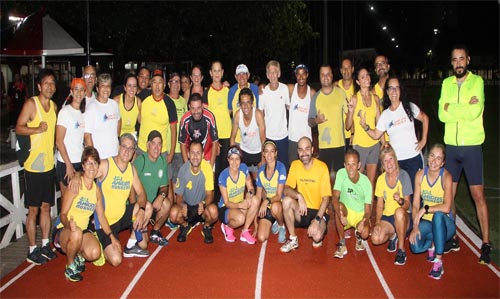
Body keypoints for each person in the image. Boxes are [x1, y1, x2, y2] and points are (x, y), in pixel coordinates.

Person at [438, 44, 490, 264]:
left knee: (478, 196)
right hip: (452, 148)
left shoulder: (477, 82)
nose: (458, 63)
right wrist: (461, 108)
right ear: (451, 63)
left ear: (468, 60)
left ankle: (486, 244)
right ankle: (453, 237)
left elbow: (475, 111)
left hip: (471, 148)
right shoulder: (446, 83)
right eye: (454, 59)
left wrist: (453, 108)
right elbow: (441, 114)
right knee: (448, 198)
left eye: (462, 59)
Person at [52, 147, 117, 282]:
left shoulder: (97, 190)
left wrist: (112, 237)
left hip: (82, 230)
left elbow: (101, 216)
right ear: (83, 166)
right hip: (64, 230)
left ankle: (77, 255)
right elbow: (63, 214)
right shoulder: (75, 185)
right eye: (88, 163)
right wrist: (69, 226)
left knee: (95, 253)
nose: (92, 167)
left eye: (94, 163)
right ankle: (70, 266)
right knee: (76, 234)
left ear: (98, 165)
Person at [16, 68, 58, 265]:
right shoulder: (31, 104)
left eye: (52, 83)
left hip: (48, 166)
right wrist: (36, 129)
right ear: (40, 86)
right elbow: (18, 127)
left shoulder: (55, 107)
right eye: (46, 83)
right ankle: (32, 249)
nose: (49, 87)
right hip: (33, 167)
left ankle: (45, 244)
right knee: (32, 210)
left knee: (46, 208)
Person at [90, 133, 152, 265]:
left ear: (134, 152)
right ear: (118, 147)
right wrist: (78, 177)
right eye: (124, 146)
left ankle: (130, 245)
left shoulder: (131, 170)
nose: (127, 151)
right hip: (105, 223)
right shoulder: (106, 165)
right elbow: (87, 173)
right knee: (116, 260)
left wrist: (141, 210)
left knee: (148, 207)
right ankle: (99, 241)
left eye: (130, 148)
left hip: (122, 216)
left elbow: (141, 193)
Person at [361, 75, 428, 192]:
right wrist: (366, 127)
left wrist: (423, 140)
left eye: (397, 87)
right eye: (391, 88)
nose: (394, 91)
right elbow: (376, 134)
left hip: (414, 158)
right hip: (397, 162)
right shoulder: (385, 115)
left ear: (400, 90)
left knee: (416, 193)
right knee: (401, 194)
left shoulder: (409, 107)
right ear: (387, 92)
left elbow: (425, 118)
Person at [409, 144, 455, 280]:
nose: (434, 161)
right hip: (428, 223)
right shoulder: (420, 175)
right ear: (428, 156)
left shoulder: (446, 177)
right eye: (432, 156)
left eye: (439, 158)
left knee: (439, 215)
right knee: (415, 247)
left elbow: (447, 207)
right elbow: (416, 204)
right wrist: (415, 227)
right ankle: (433, 243)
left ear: (443, 163)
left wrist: (426, 208)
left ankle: (438, 262)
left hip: (446, 225)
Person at [280, 137, 331, 253]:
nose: (304, 153)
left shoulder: (322, 167)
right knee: (287, 201)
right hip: (302, 210)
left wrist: (317, 220)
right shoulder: (295, 165)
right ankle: (293, 239)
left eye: (307, 149)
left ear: (312, 150)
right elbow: (286, 189)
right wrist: (299, 196)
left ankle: (316, 228)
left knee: (317, 237)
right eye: (301, 150)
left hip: (318, 211)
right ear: (298, 152)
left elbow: (326, 199)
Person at [371, 144, 412, 265]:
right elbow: (379, 205)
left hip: (403, 216)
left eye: (391, 159)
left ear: (395, 160)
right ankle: (393, 235)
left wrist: (400, 201)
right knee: (375, 238)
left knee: (398, 212)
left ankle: (401, 249)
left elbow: (407, 205)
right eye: (385, 161)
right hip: (388, 218)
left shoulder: (404, 176)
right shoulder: (380, 179)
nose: (389, 164)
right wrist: (377, 223)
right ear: (382, 165)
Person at [170, 141, 218, 243]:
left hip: (201, 208)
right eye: (192, 153)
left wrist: (204, 204)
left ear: (203, 155)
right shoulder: (183, 169)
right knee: (173, 214)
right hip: (187, 208)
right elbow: (178, 196)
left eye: (198, 153)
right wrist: (182, 205)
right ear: (188, 155)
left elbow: (210, 194)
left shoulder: (207, 168)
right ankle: (185, 225)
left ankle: (206, 227)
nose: (195, 156)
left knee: (214, 212)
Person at [331, 148, 372, 259]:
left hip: (360, 214)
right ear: (344, 165)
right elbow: (334, 197)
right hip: (346, 212)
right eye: (348, 164)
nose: (350, 168)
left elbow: (368, 211)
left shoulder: (366, 183)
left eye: (353, 164)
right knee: (338, 207)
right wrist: (340, 215)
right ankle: (342, 243)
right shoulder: (341, 174)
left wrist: (364, 222)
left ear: (359, 165)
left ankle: (359, 236)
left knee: (365, 233)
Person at [308, 64, 348, 176]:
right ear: (320, 77)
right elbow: (309, 121)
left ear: (332, 75)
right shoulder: (316, 97)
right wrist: (316, 120)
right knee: (324, 179)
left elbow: (348, 114)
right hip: (324, 146)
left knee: (340, 179)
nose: (325, 77)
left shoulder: (340, 93)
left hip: (339, 144)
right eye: (322, 74)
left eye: (328, 74)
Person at [345, 67, 382, 190]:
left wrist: (384, 143)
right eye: (362, 77)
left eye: (367, 75)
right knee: (357, 180)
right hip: (359, 145)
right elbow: (348, 126)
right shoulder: (354, 99)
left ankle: (368, 208)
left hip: (374, 144)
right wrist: (350, 112)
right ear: (357, 82)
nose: (366, 78)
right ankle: (356, 208)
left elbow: (379, 124)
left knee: (370, 182)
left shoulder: (376, 98)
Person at [133, 130, 171, 246]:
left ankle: (155, 231)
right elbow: (130, 187)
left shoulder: (163, 162)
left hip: (153, 204)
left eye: (159, 144)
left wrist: (161, 196)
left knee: (167, 203)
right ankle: (135, 225)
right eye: (153, 143)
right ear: (147, 145)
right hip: (140, 206)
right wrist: (134, 207)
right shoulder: (140, 161)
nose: (156, 147)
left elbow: (165, 187)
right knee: (143, 245)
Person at [218, 145, 260, 245]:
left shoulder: (244, 168)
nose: (234, 162)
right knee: (240, 219)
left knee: (255, 200)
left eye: (237, 159)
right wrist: (241, 205)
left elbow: (251, 187)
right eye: (231, 159)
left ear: (240, 160)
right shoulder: (223, 176)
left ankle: (244, 232)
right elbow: (227, 203)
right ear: (228, 160)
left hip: (239, 203)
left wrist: (249, 195)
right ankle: (227, 226)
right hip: (226, 208)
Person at [137, 69, 178, 167]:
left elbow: (173, 131)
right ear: (150, 84)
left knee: (163, 181)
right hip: (142, 149)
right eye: (154, 82)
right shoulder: (143, 96)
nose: (157, 86)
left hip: (160, 151)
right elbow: (129, 102)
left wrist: (171, 153)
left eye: (160, 82)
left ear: (164, 85)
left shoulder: (169, 103)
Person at [56, 78, 86, 198]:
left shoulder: (82, 114)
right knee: (67, 201)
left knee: (78, 200)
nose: (79, 93)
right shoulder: (65, 112)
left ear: (85, 93)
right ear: (71, 91)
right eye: (76, 89)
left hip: (79, 161)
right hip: (65, 162)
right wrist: (68, 165)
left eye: (81, 90)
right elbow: (59, 141)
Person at [203, 61, 232, 187]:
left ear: (222, 72)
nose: (216, 73)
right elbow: (206, 119)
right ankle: (214, 198)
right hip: (214, 137)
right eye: (214, 71)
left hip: (228, 135)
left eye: (219, 70)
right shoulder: (207, 93)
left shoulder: (228, 91)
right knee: (215, 168)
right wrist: (214, 139)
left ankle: (226, 197)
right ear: (210, 73)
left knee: (227, 167)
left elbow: (231, 111)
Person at [258, 60, 290, 169]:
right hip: (269, 137)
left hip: (283, 136)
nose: (272, 75)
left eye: (275, 72)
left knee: (283, 168)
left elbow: (289, 108)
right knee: (270, 168)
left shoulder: (284, 89)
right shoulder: (263, 92)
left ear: (279, 74)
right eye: (270, 72)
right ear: (267, 75)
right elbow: (260, 115)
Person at [229, 88, 266, 178]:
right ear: (240, 104)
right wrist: (232, 157)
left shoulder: (258, 115)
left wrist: (263, 158)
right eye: (243, 103)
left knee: (260, 178)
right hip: (244, 150)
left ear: (252, 103)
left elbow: (263, 140)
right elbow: (232, 138)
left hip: (257, 151)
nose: (245, 106)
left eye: (248, 102)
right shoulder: (238, 115)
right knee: (240, 178)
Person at [255, 140, 287, 244]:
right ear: (263, 153)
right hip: (267, 206)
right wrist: (256, 222)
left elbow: (278, 195)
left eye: (272, 151)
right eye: (266, 151)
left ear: (276, 153)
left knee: (275, 207)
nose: (269, 154)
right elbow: (258, 196)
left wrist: (266, 201)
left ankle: (281, 225)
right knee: (261, 237)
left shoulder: (281, 168)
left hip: (278, 203)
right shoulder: (260, 171)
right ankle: (273, 221)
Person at [84, 73, 121, 160]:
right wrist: (94, 158)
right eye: (103, 86)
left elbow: (119, 120)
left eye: (108, 86)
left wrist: (117, 137)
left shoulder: (114, 104)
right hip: (100, 157)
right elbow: (87, 135)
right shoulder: (91, 107)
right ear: (97, 88)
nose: (106, 89)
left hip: (115, 155)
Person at [178, 93, 219, 167]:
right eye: (193, 108)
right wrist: (187, 166)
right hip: (192, 154)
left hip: (207, 152)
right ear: (189, 107)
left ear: (202, 106)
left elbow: (215, 142)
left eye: (198, 108)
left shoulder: (210, 117)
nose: (196, 111)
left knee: (209, 177)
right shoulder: (184, 119)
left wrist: (211, 166)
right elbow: (182, 144)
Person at [287, 64, 316, 164]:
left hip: (306, 138)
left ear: (307, 75)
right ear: (295, 75)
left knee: (307, 167)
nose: (301, 77)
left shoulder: (312, 93)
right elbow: (276, 88)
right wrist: (262, 87)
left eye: (303, 74)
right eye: (298, 74)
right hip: (292, 138)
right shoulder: (290, 89)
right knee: (293, 167)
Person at [167, 72, 188, 203]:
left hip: (181, 150)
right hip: (167, 149)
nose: (175, 84)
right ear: (168, 84)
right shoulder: (165, 100)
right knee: (169, 183)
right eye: (173, 81)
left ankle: (178, 210)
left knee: (179, 183)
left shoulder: (183, 102)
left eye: (178, 81)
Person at [334, 57, 356, 150]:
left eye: (348, 67)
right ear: (341, 70)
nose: (346, 70)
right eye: (344, 68)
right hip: (338, 135)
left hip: (355, 135)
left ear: (352, 69)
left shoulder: (357, 87)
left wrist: (353, 133)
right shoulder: (335, 86)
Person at [113, 73, 142, 138]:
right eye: (129, 85)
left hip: (132, 137)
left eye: (134, 86)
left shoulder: (138, 102)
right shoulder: (116, 101)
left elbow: (142, 122)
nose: (132, 89)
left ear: (137, 88)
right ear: (125, 87)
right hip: (118, 136)